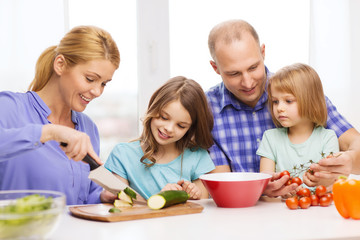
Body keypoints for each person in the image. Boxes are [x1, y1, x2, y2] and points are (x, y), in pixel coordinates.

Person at [205, 19, 360, 197]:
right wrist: (259, 187)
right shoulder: (206, 109)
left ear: (263, 52)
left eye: (253, 67)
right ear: (215, 68)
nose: (247, 82)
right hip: (244, 213)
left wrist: (350, 160)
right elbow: (221, 185)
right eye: (234, 73)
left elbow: (356, 144)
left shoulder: (300, 91)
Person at [0, 25, 120, 205]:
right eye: (90, 79)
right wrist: (50, 132)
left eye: (104, 83)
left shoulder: (88, 128)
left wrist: (102, 197)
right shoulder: (9, 108)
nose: (97, 91)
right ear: (60, 65)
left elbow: (84, 197)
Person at [104, 76, 215, 200]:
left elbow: (202, 205)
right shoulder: (123, 154)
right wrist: (161, 198)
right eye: (164, 117)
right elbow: (123, 203)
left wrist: (194, 194)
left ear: (190, 128)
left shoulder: (197, 156)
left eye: (181, 126)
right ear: (153, 108)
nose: (169, 128)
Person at [257, 63, 339, 196]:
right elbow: (265, 177)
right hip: (280, 209)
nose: (279, 108)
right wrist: (277, 187)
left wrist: (319, 179)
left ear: (310, 101)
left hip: (317, 209)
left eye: (288, 101)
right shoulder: (270, 138)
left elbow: (332, 180)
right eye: (275, 101)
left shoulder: (327, 137)